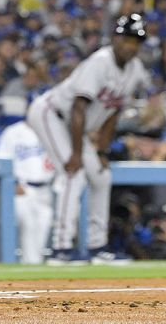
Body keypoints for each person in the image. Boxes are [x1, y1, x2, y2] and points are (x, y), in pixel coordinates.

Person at [27, 13, 149, 265]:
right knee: (74, 174)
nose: (131, 45)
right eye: (127, 39)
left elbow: (113, 113)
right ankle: (61, 249)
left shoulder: (135, 70)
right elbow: (78, 108)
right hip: (52, 114)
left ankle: (97, 247)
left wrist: (102, 151)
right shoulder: (100, 62)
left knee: (102, 176)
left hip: (73, 126)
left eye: (136, 41)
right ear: (115, 39)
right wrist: (75, 154)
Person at [0, 114, 54, 264]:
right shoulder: (13, 132)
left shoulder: (52, 131)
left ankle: (34, 263)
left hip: (46, 188)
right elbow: (0, 160)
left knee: (44, 224)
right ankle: (30, 263)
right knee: (28, 224)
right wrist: (12, 182)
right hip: (21, 188)